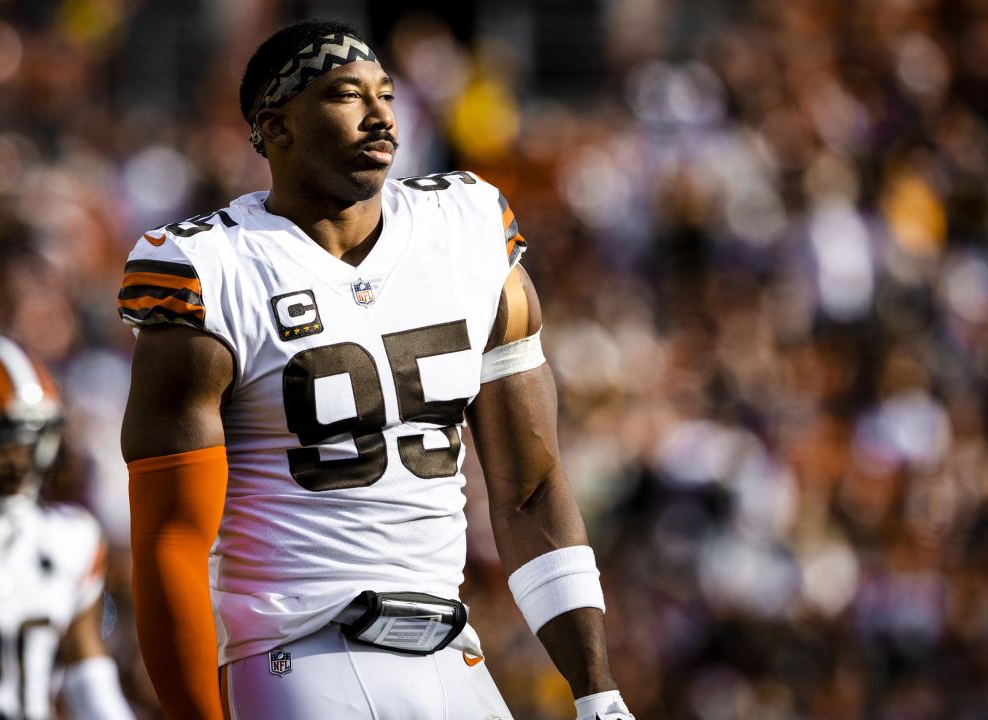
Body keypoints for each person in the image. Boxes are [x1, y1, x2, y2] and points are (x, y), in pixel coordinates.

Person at [119, 18, 633, 719]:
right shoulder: (210, 270)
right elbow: (170, 542)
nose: (380, 113)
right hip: (298, 653)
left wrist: (598, 692)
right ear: (277, 127)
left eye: (385, 93)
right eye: (344, 94)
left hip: (453, 650)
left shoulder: (468, 225)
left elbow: (531, 489)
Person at [0, 333, 135, 720]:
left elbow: (89, 681)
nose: (17, 465)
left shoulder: (68, 540)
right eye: (0, 445)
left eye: (28, 445)